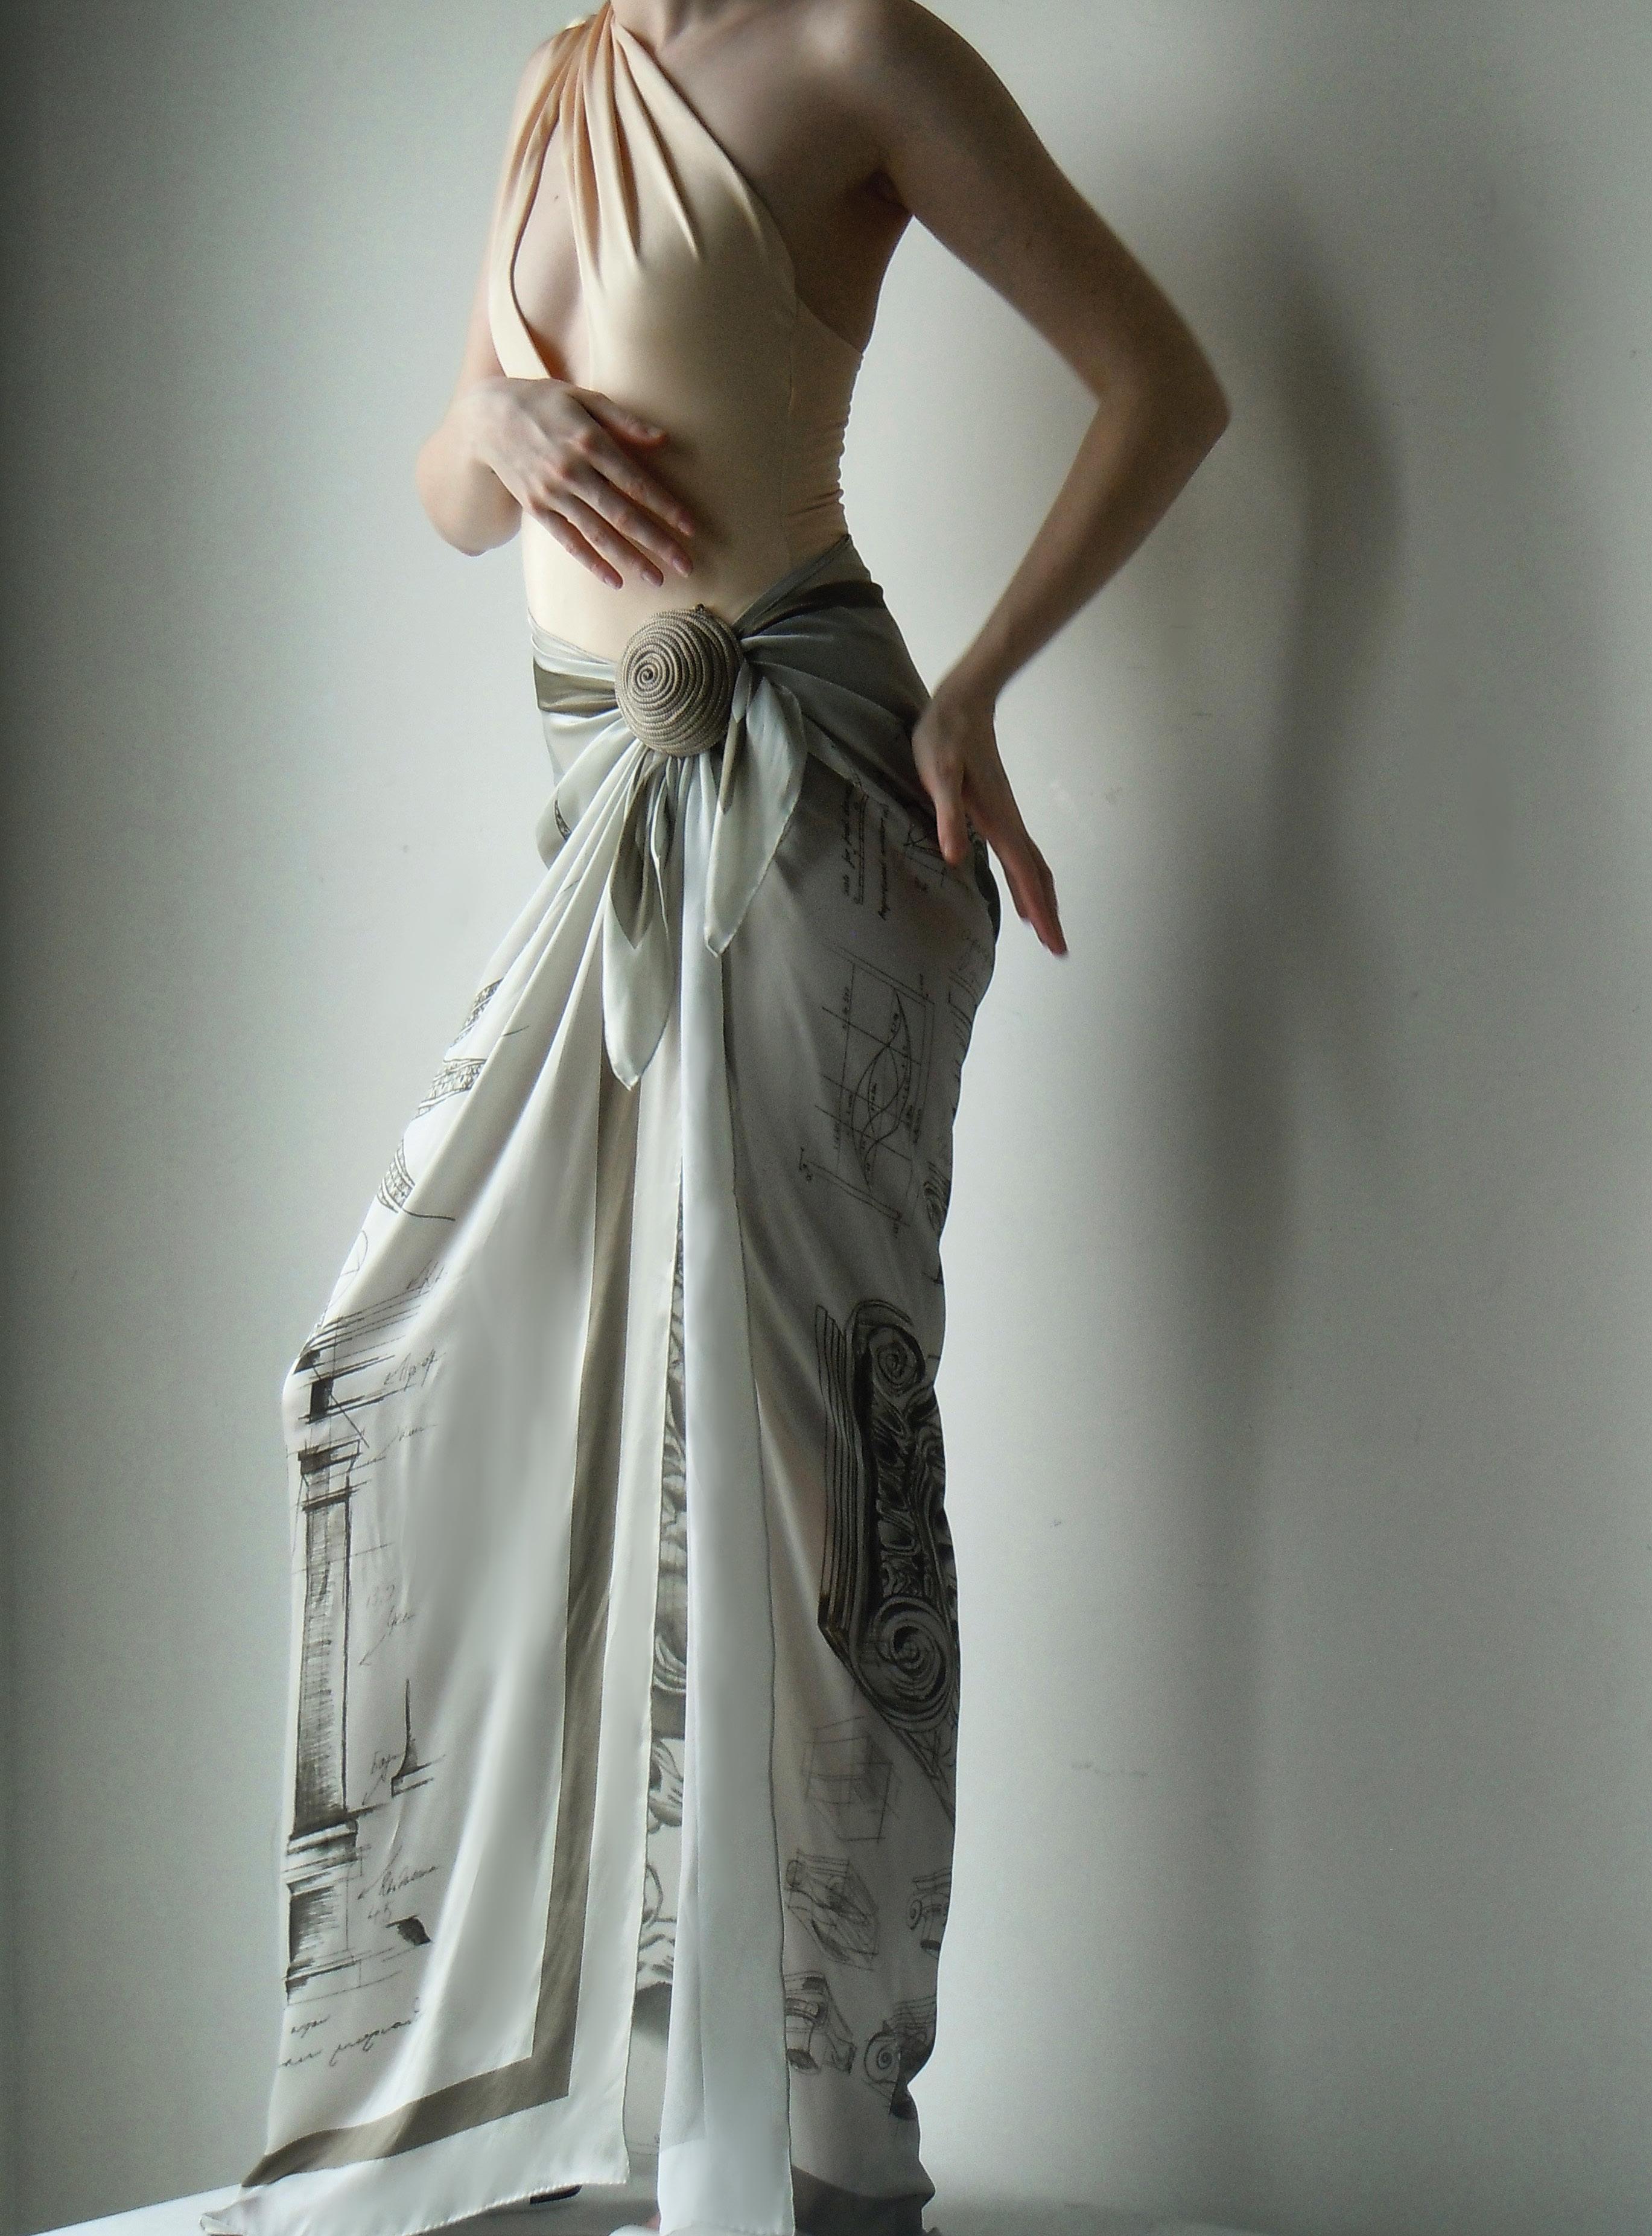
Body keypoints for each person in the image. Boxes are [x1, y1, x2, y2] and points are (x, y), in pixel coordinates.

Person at [202, 8, 1227, 2236]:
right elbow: (458, 499)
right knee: (424, 1374)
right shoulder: (558, 72)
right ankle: (582, 2107)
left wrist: (975, 685)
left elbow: (1165, 383)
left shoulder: (855, 46)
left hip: (803, 800)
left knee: (801, 1470)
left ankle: (830, 2150)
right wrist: (494, 416)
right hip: (604, 813)